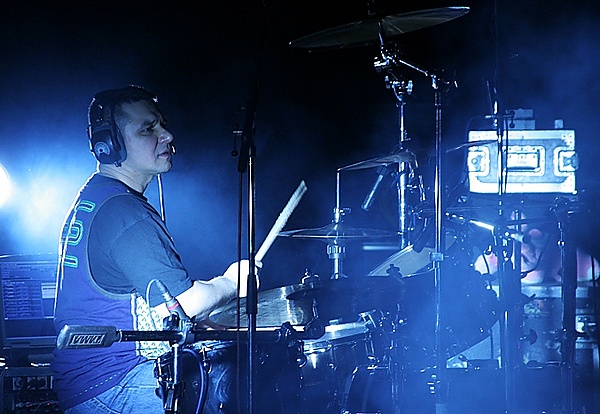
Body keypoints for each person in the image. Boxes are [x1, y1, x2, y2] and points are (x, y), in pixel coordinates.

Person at [52, 85, 252, 413]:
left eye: (162, 124)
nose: (167, 135)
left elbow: (153, 309)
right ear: (110, 144)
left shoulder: (97, 196)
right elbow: (185, 304)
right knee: (238, 386)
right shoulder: (123, 211)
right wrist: (232, 282)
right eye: (148, 129)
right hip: (114, 384)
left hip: (90, 384)